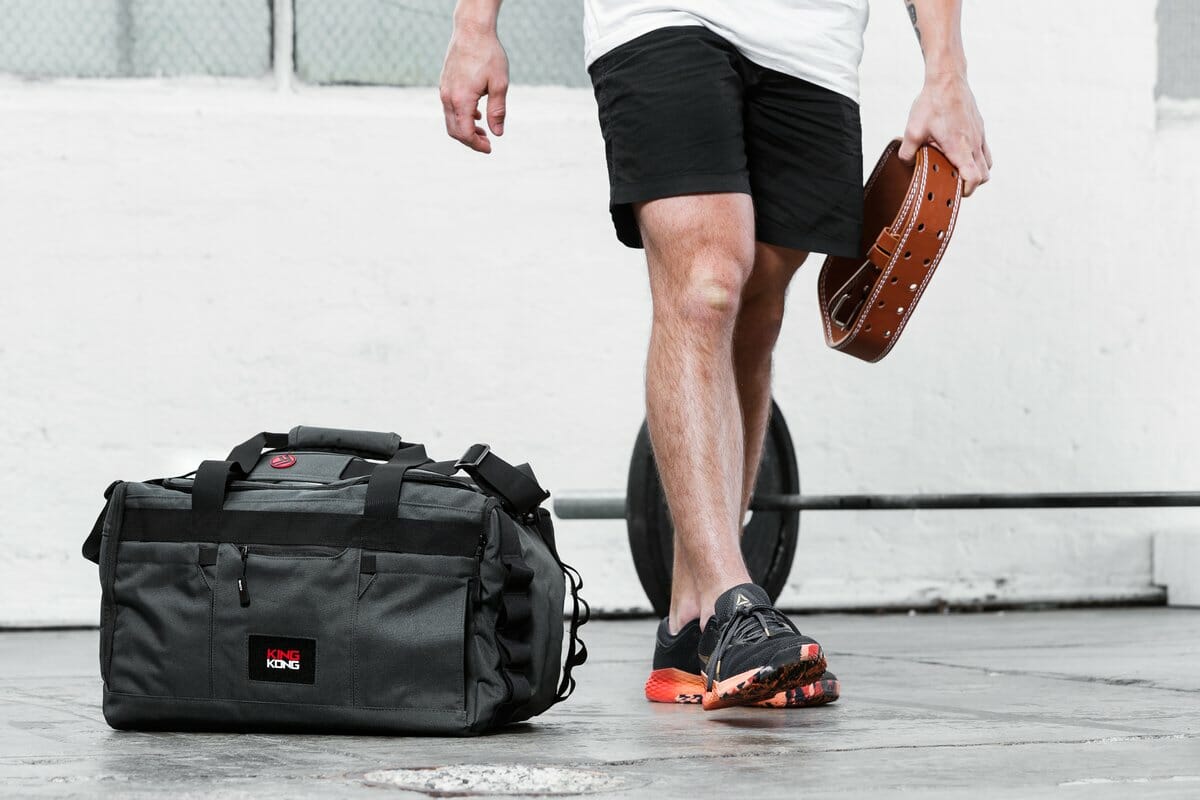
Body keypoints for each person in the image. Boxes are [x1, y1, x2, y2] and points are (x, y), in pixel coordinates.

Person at [440, 0, 991, 710]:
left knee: (756, 310)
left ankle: (689, 628)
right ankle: (734, 602)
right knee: (706, 287)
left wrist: (946, 71)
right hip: (661, 17)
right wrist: (474, 25)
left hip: (816, 42)